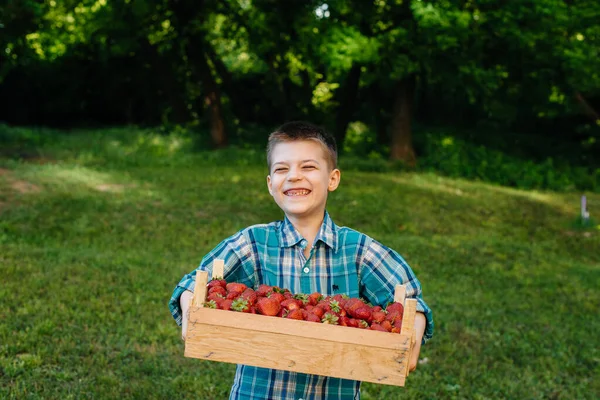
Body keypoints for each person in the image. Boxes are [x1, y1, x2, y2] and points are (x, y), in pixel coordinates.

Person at [168, 121, 434, 400]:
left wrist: (413, 332)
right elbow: (192, 284)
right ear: (271, 184)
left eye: (308, 167)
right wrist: (191, 315)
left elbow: (411, 300)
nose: (294, 176)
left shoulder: (359, 251)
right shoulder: (253, 243)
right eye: (282, 169)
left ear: (333, 179)